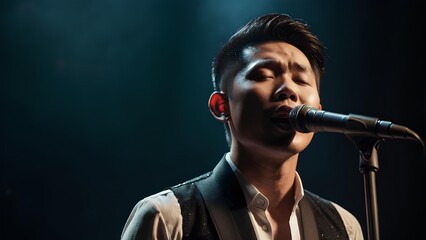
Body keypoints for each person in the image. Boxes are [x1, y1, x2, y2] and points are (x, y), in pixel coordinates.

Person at [121, 13, 364, 240]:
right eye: (263, 75)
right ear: (221, 106)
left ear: (318, 111)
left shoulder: (345, 227)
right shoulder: (166, 217)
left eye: (301, 80)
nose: (288, 90)